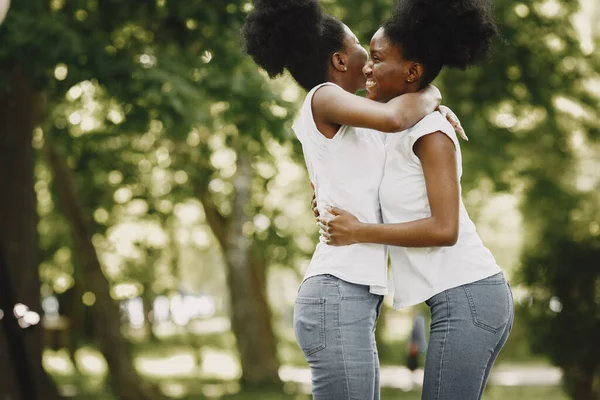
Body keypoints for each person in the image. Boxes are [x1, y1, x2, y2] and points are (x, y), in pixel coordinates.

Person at [242, 1, 463, 398]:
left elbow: (397, 125)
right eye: (360, 44)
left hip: (353, 298)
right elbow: (399, 117)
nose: (368, 56)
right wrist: (431, 89)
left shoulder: (360, 118)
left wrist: (430, 107)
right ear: (340, 60)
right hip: (336, 295)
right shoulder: (322, 97)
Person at [319, 1, 514, 399]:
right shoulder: (399, 127)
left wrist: (359, 232)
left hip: (471, 297)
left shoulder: (431, 132)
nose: (367, 68)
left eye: (377, 58)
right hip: (456, 302)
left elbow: (445, 229)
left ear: (412, 72)